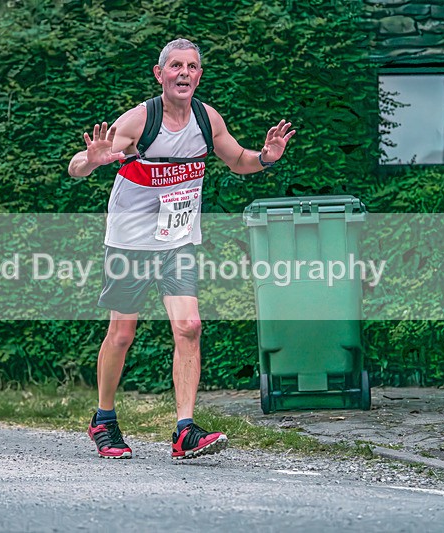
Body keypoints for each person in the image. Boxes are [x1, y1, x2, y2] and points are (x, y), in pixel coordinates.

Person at [67, 38, 295, 460]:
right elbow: (76, 166)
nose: (184, 73)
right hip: (130, 239)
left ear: (199, 75)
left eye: (191, 67)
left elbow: (238, 160)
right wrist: (94, 160)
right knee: (122, 332)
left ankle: (185, 430)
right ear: (160, 74)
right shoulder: (140, 120)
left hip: (177, 240)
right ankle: (104, 418)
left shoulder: (207, 120)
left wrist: (265, 157)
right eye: (175, 66)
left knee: (189, 326)